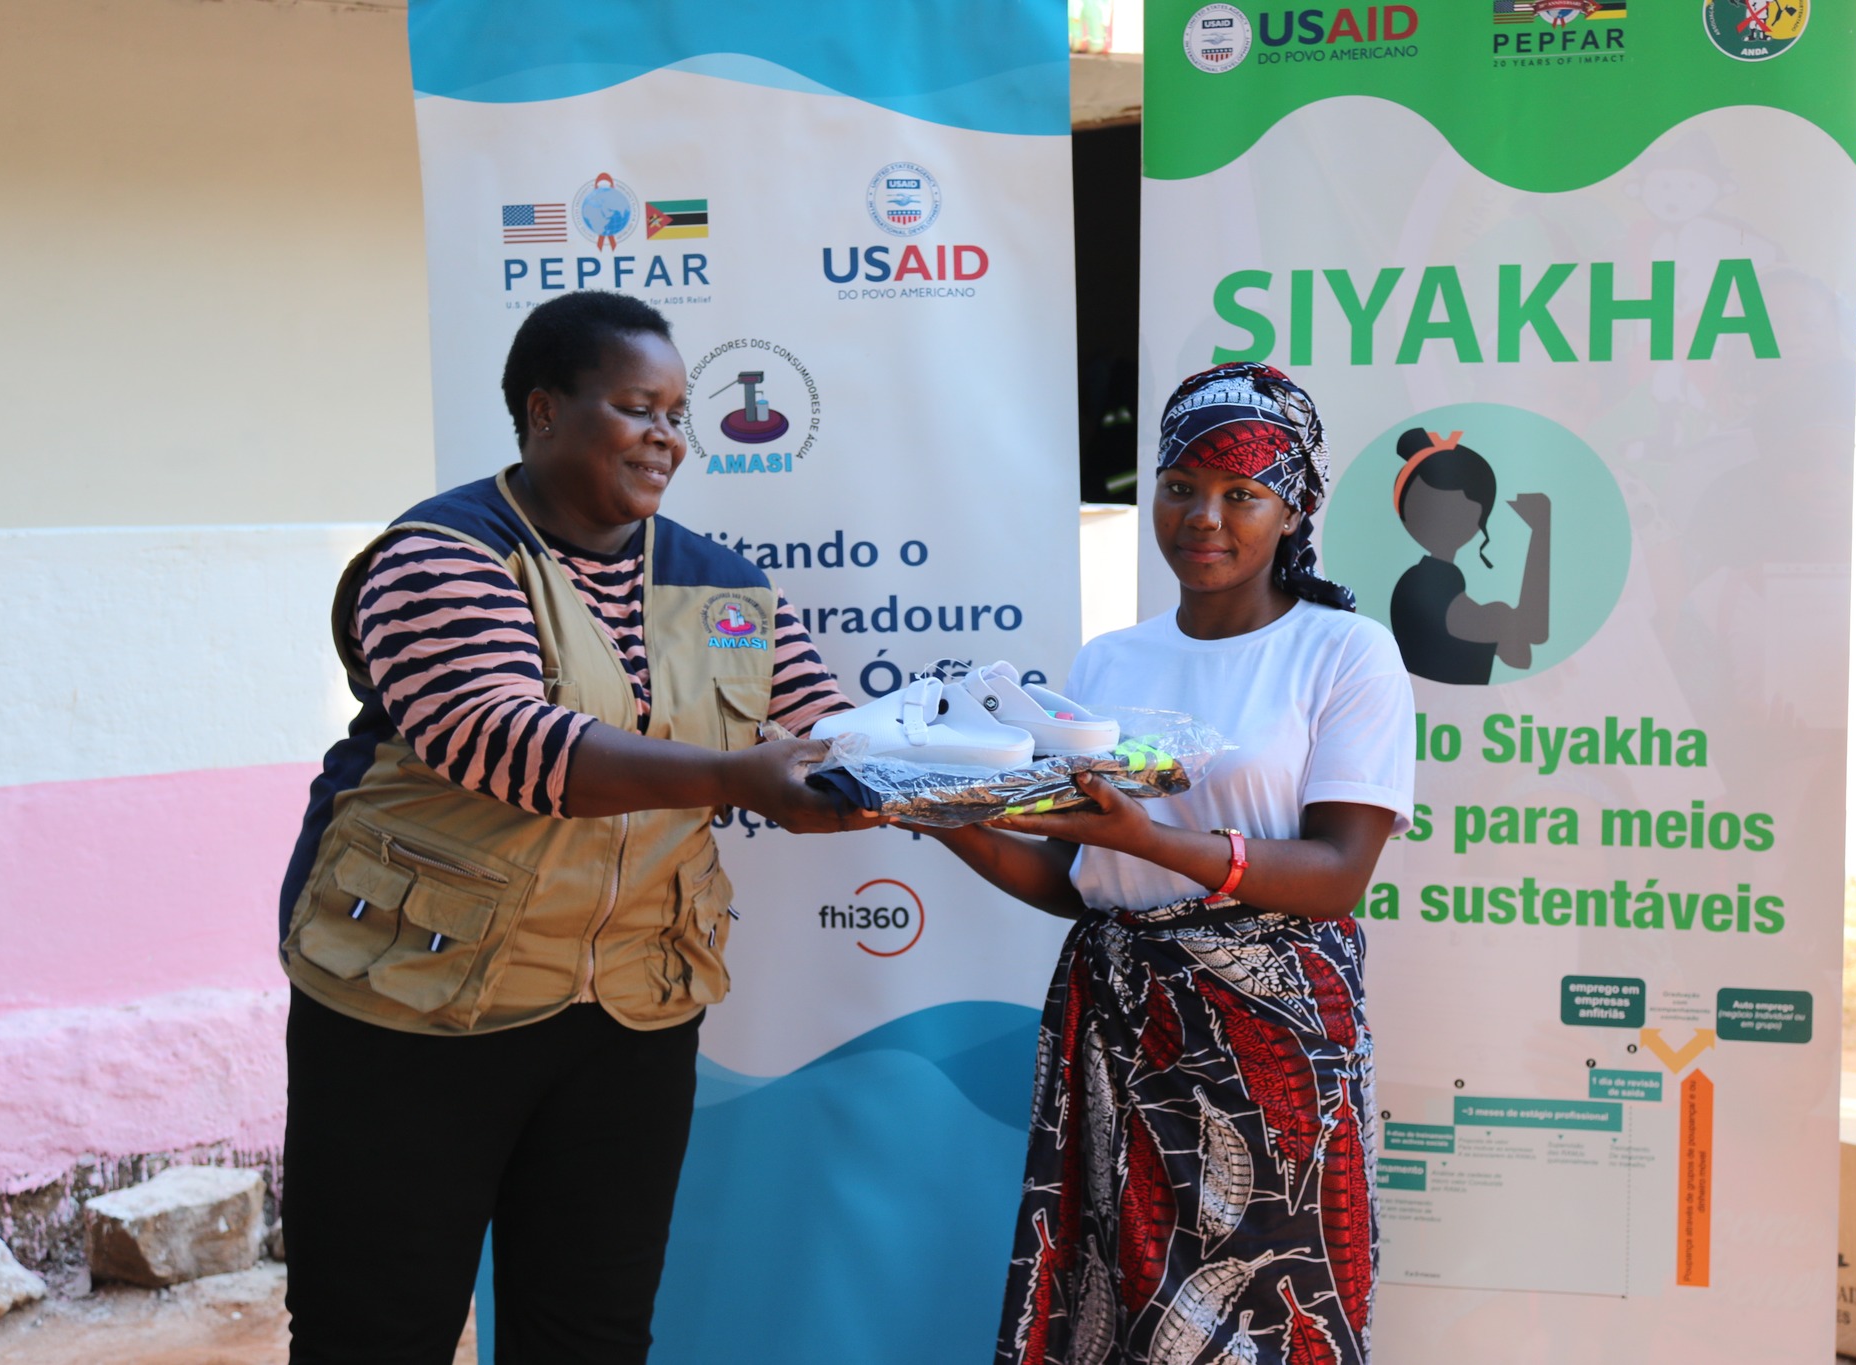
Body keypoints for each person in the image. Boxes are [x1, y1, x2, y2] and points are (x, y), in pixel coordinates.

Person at [275, 290, 870, 1363]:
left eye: (678, 414)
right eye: (638, 407)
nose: (666, 437)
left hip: (629, 1014)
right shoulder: (444, 554)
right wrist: (735, 776)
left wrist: (1009, 770)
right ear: (544, 410)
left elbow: (831, 731)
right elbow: (503, 740)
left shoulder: (723, 589)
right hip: (416, 1002)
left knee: (589, 1333)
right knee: (375, 1329)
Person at [921, 363, 1415, 1365]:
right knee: (1121, 1294)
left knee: (1269, 1307)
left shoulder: (1345, 652)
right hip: (1119, 1023)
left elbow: (1336, 874)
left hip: (1274, 1043)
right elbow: (1076, 881)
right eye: (1181, 486)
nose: (1204, 517)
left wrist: (1148, 839)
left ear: (1294, 508)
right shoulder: (1110, 660)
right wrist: (939, 815)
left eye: (1242, 493)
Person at [1388, 428, 1550, 685]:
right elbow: (1529, 634)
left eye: (1459, 512)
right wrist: (1540, 530)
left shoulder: (1430, 581)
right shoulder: (1424, 584)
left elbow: (1520, 653)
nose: (1443, 521)